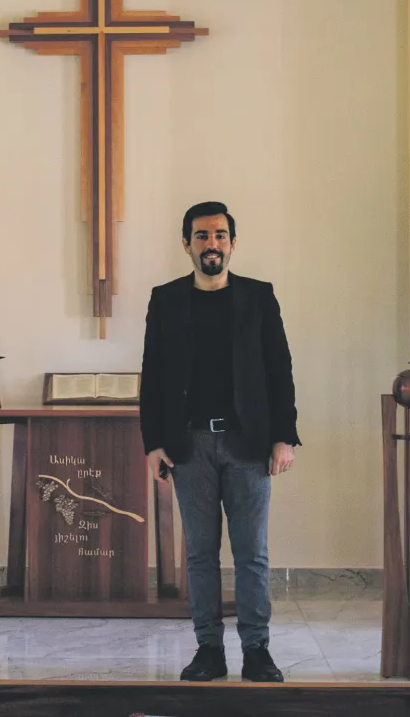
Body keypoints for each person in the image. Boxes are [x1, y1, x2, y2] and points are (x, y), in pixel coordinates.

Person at [138, 201, 298, 683]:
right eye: (203, 236)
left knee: (252, 554)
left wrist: (283, 437)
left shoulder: (258, 297)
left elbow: (280, 369)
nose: (212, 244)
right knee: (200, 555)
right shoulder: (165, 300)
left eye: (221, 235)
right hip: (189, 446)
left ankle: (257, 651)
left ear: (232, 242)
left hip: (248, 446)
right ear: (186, 243)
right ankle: (209, 649)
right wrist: (153, 443)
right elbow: (154, 375)